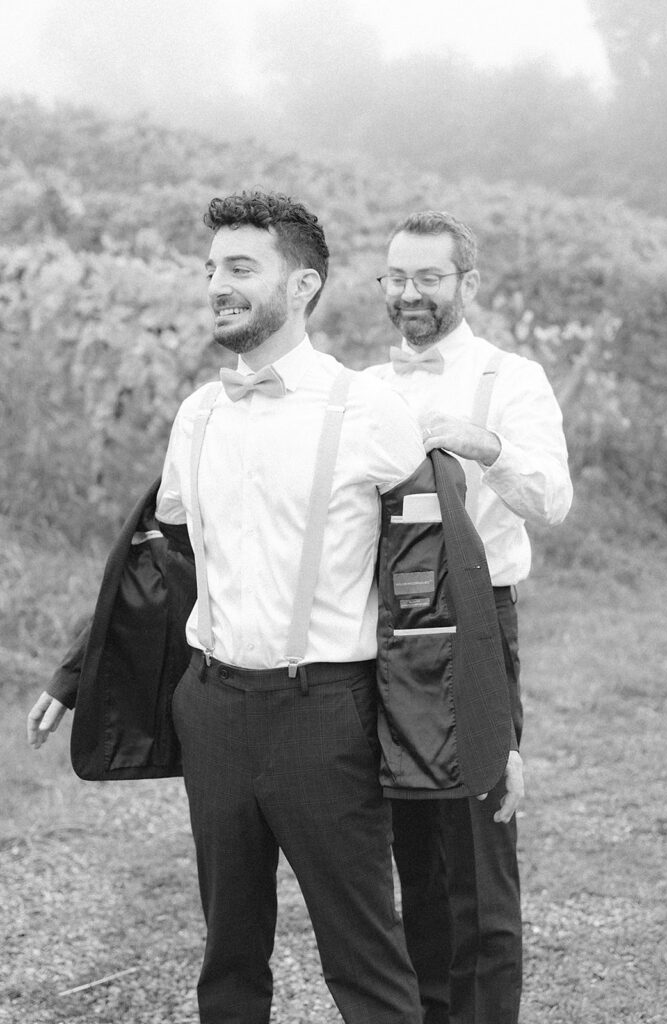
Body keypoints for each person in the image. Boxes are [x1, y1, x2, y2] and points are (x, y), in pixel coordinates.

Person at [27, 190, 427, 1024]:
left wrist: (479, 722)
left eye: (241, 268)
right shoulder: (199, 413)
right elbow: (162, 564)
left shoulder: (371, 412)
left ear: (305, 285)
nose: (217, 284)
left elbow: (432, 572)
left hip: (326, 713)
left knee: (364, 959)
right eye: (211, 269)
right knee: (228, 957)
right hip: (212, 708)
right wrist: (75, 669)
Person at [367, 210, 573, 1024]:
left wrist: (484, 445)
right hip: (387, 628)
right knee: (413, 859)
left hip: (477, 623)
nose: (408, 294)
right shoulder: (366, 387)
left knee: (479, 854)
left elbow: (551, 501)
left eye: (427, 278)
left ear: (466, 284)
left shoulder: (510, 377)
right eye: (395, 278)